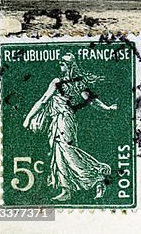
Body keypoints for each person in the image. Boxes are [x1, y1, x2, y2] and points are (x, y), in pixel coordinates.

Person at [22, 53, 117, 201]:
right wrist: (29, 117)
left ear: (70, 66)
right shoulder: (57, 82)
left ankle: (97, 177)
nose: (61, 65)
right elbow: (43, 100)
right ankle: (66, 190)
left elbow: (91, 100)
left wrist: (107, 107)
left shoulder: (77, 83)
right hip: (56, 120)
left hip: (65, 120)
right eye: (60, 62)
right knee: (59, 153)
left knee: (66, 151)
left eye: (64, 63)